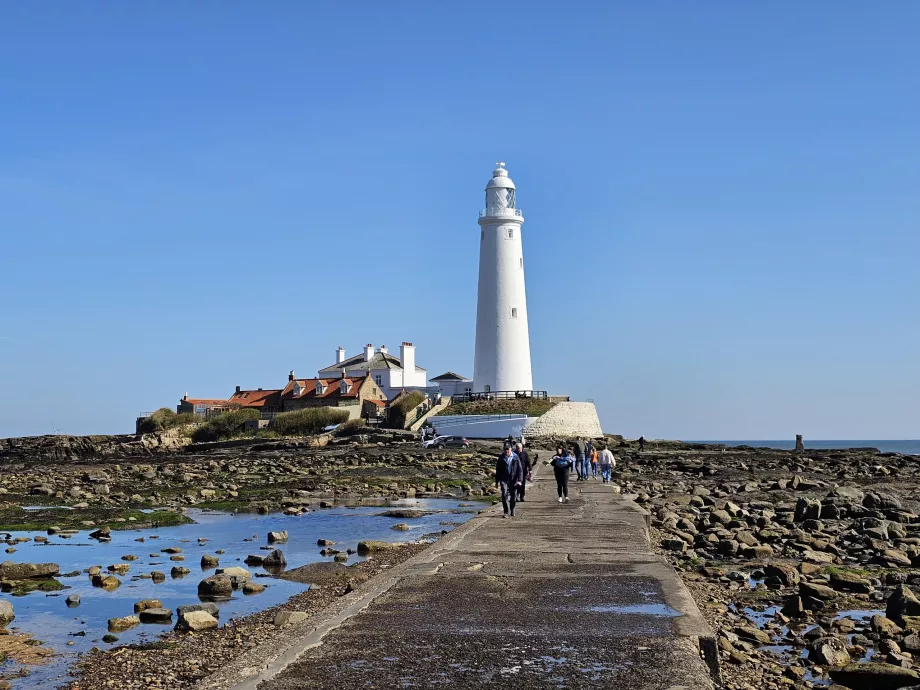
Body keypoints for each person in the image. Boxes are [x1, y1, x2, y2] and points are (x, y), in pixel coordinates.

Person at [494, 443, 523, 518]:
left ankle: (512, 509)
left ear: (511, 449)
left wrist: (520, 480)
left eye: (508, 449)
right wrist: (497, 481)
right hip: (504, 479)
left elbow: (520, 470)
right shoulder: (501, 457)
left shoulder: (516, 457)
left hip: (513, 479)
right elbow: (498, 470)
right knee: (504, 494)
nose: (506, 451)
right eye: (505, 449)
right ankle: (506, 511)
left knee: (513, 496)